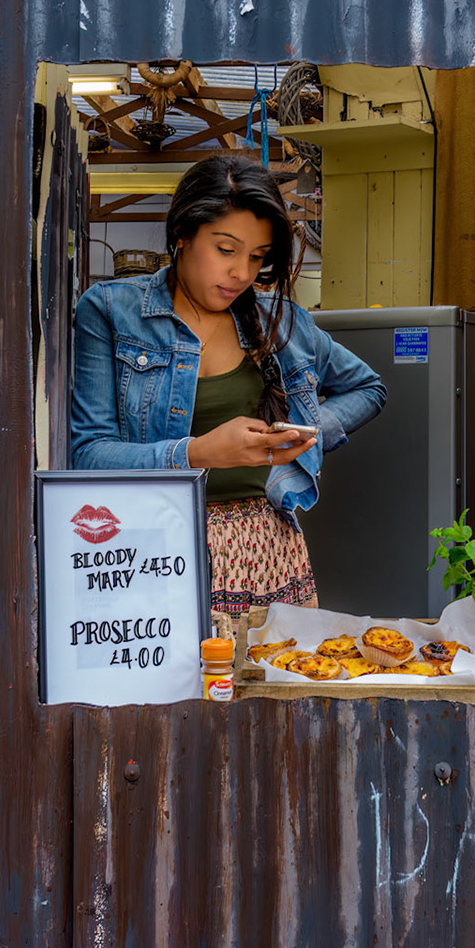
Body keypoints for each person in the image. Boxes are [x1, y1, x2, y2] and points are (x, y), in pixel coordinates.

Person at [70, 156, 387, 614]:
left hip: (265, 554)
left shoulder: (283, 324)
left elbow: (369, 388)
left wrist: (301, 434)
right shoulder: (111, 311)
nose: (242, 272)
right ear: (182, 234)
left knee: (269, 684)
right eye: (226, 249)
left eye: (257, 257)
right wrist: (198, 453)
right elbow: (89, 455)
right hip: (148, 551)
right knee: (171, 687)